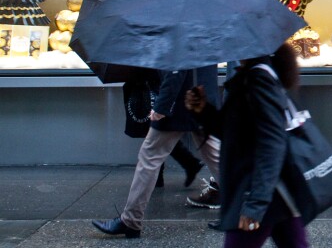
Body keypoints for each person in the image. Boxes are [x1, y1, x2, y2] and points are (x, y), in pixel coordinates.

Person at [185, 43, 309, 248]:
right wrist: (203, 111)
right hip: (274, 189)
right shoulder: (250, 75)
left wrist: (255, 204)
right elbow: (235, 132)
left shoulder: (258, 79)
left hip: (257, 188)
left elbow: (272, 142)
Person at [92, 63, 222, 238]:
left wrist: (162, 105)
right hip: (201, 98)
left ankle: (130, 220)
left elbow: (177, 67)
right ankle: (245, 211)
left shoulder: (182, 34)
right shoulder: (205, 34)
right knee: (216, 156)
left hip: (179, 102)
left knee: (149, 156)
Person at [122, 67, 204, 189]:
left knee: (157, 135)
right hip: (155, 88)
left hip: (154, 90)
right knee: (158, 134)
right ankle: (188, 164)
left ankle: (186, 165)